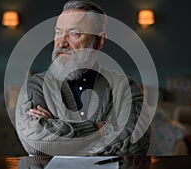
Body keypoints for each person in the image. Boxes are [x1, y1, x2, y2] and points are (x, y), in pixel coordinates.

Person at [16, 0, 150, 156]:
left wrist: (59, 135)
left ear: (99, 41)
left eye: (74, 34)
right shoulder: (36, 85)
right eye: (58, 32)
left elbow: (134, 146)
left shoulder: (126, 87)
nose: (61, 42)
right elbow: (36, 142)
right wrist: (101, 129)